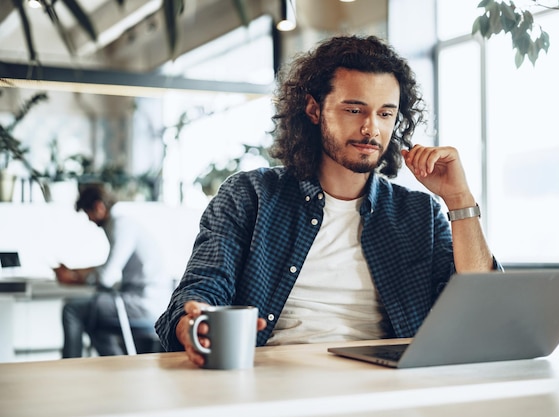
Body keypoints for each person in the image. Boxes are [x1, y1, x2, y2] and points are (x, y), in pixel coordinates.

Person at [155, 35, 500, 368]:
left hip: (388, 388)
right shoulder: (251, 196)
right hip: (272, 384)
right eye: (354, 109)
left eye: (385, 114)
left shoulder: (419, 214)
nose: (371, 129)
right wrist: (193, 324)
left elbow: (481, 311)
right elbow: (202, 289)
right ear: (313, 109)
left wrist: (459, 199)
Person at [54, 183, 170, 357]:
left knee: (72, 310)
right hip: (141, 299)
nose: (89, 220)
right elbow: (106, 267)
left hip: (143, 303)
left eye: (88, 213)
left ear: (99, 207)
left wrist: (73, 279)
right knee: (95, 324)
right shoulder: (120, 224)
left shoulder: (121, 225)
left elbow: (106, 277)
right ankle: (117, 371)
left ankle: (69, 369)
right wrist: (74, 271)